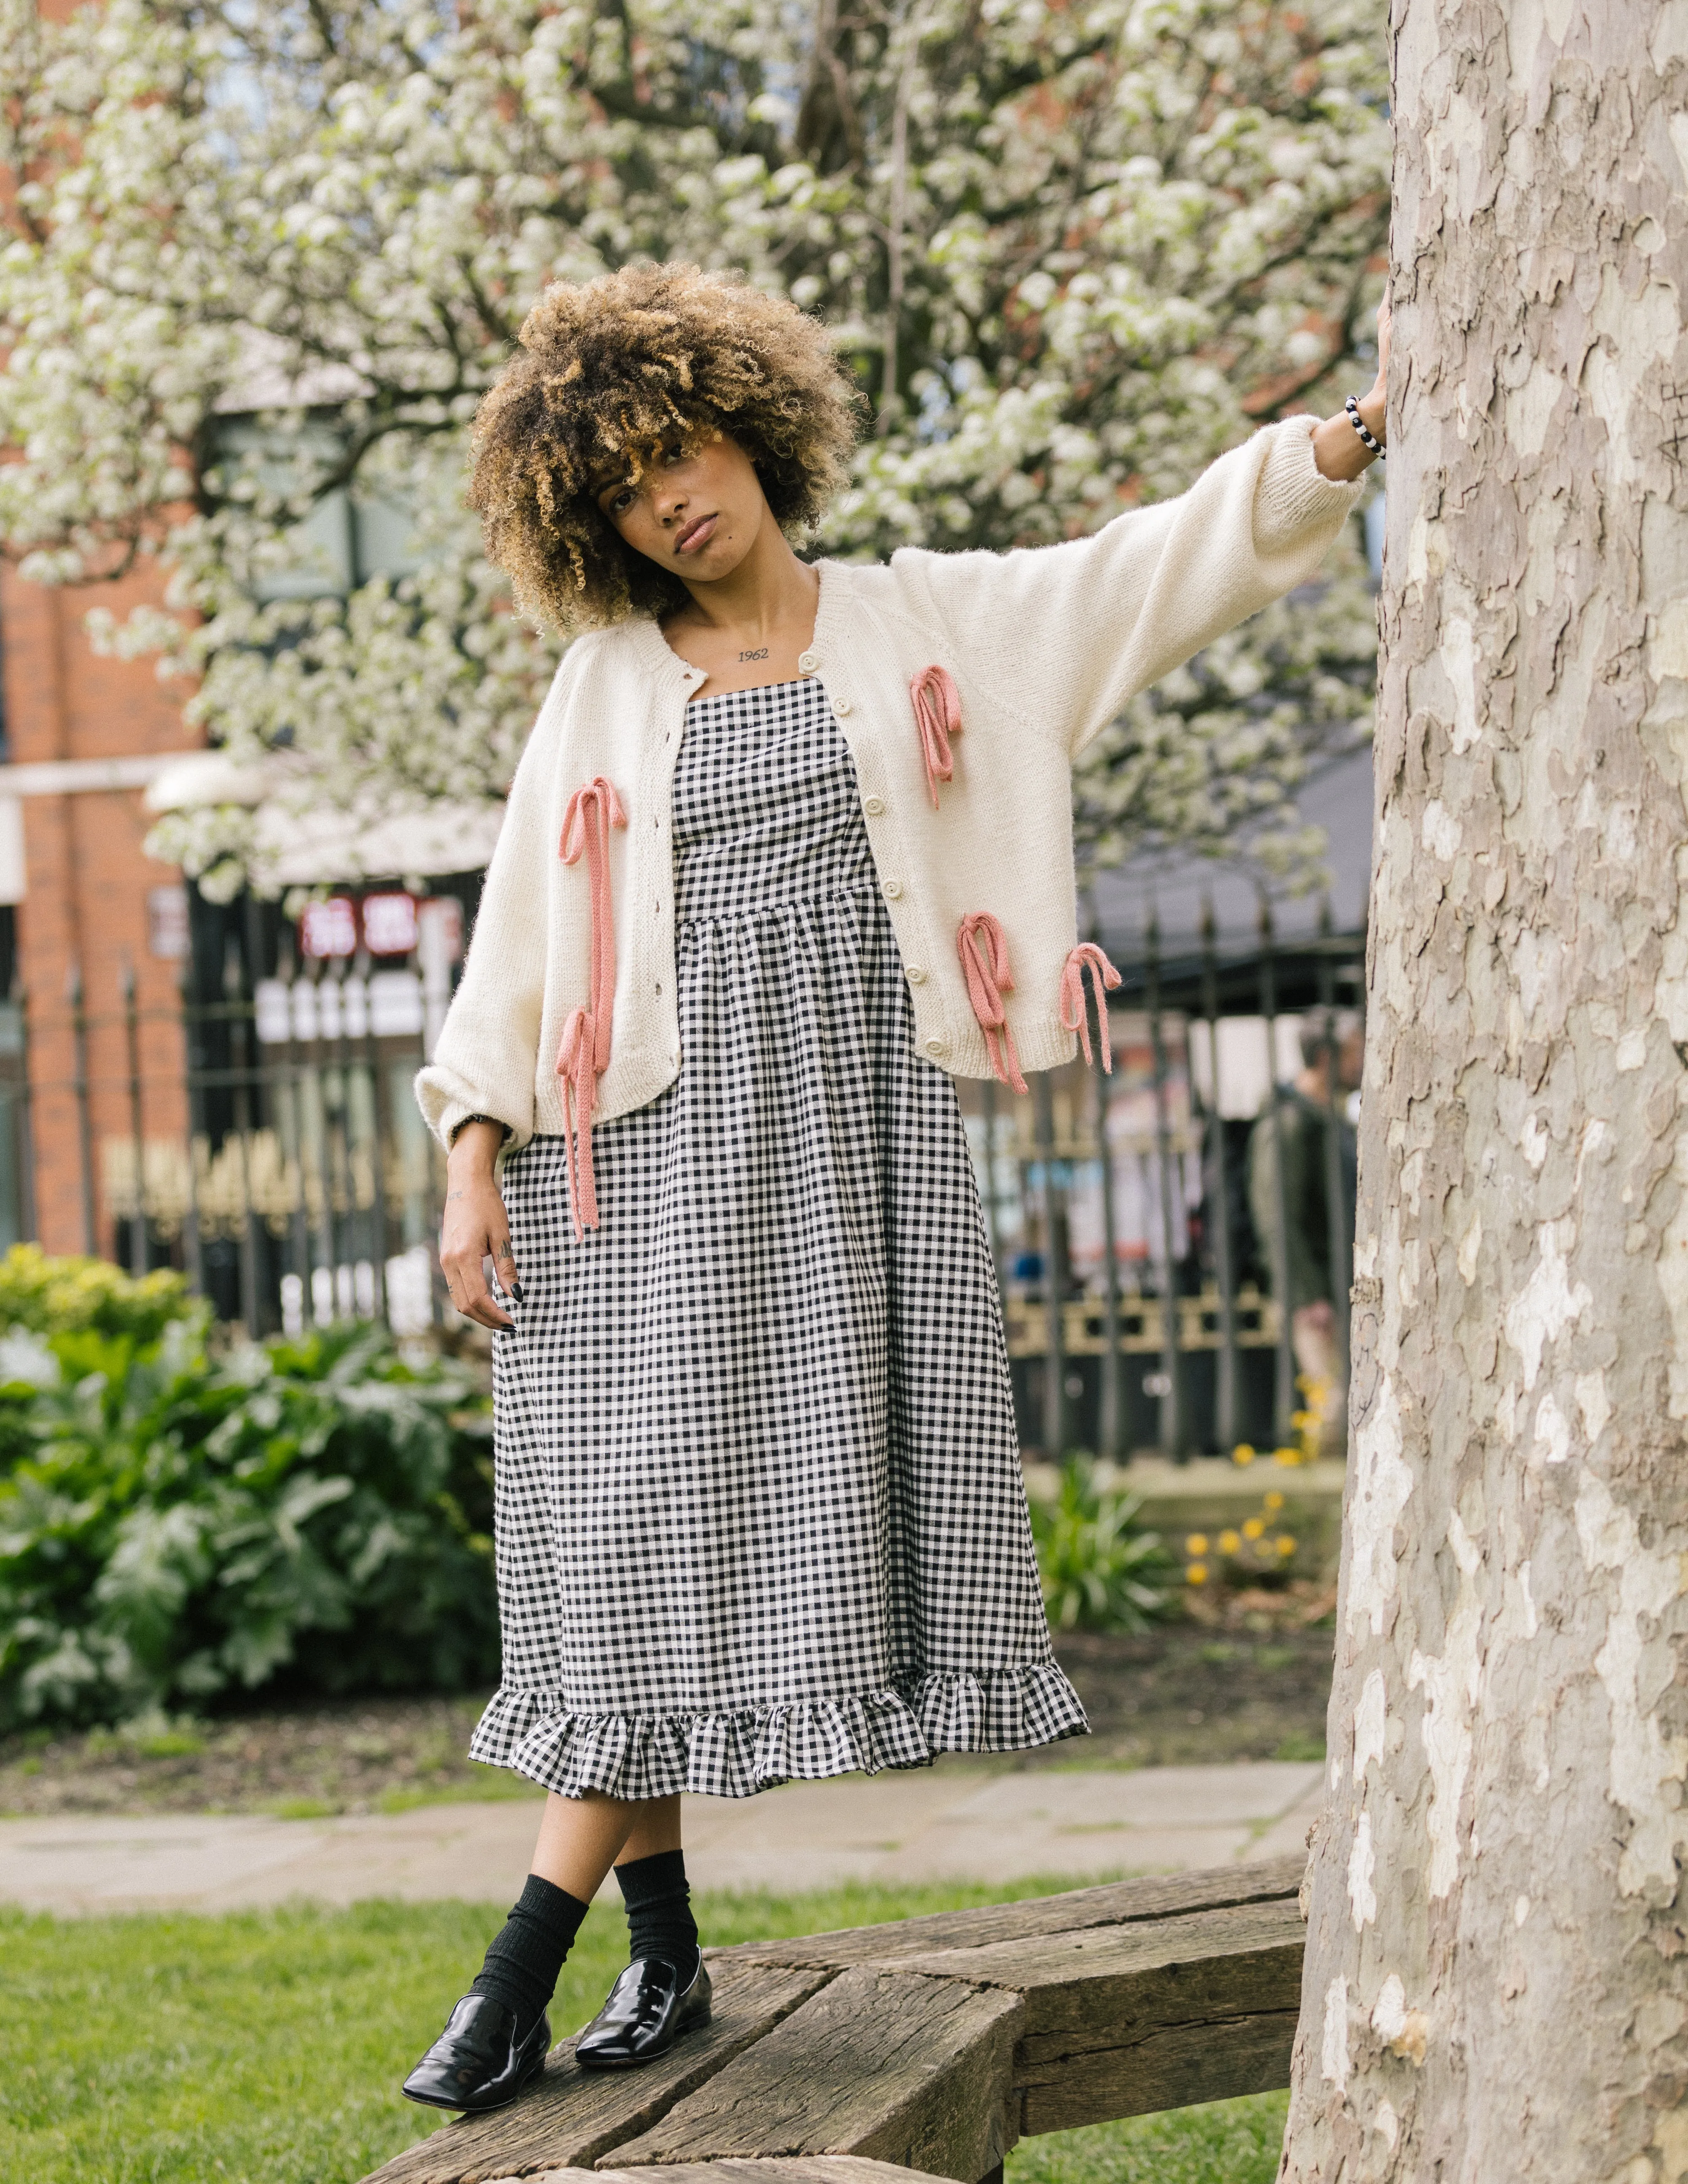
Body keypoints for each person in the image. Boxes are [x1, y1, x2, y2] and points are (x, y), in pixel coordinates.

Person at [403, 261, 1389, 2112]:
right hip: (632, 1161)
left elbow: (1152, 563)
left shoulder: (931, 617)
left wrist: (1342, 440)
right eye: (625, 484)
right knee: (630, 1558)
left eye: (685, 446)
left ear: (753, 428)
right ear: (589, 520)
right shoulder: (604, 685)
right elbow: (517, 944)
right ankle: (597, 1965)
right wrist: (470, 1157)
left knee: (684, 1554)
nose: (670, 496)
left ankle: (553, 1976)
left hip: (844, 1158)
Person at [1247, 1013, 1364, 1456]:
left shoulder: (1326, 1118)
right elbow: (1275, 1216)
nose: (1361, 1062)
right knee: (1331, 1410)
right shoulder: (1288, 1124)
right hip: (1315, 1294)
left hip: (1340, 1284)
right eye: (1354, 1051)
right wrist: (1307, 1294)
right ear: (1324, 1056)